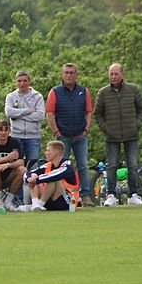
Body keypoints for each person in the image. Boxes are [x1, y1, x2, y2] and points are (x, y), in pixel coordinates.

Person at [93, 63, 142, 207]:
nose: (113, 77)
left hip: (131, 134)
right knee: (111, 166)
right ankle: (111, 195)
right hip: (112, 136)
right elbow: (97, 114)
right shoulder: (103, 92)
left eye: (116, 74)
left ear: (122, 74)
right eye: (111, 74)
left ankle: (133, 194)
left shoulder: (133, 90)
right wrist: (106, 129)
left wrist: (136, 125)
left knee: (133, 165)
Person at [46, 63, 93, 206]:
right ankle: (62, 195)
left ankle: (85, 195)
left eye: (71, 73)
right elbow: (49, 113)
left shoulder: (83, 91)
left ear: (76, 75)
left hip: (80, 135)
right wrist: (56, 132)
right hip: (63, 136)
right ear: (62, 74)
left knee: (83, 166)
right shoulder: (55, 92)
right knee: (60, 167)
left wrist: (86, 130)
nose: (68, 75)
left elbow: (89, 112)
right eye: (66, 72)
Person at [22, 140, 79, 212]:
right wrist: (28, 179)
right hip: (49, 200)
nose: (45, 153)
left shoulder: (67, 165)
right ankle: (35, 205)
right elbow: (28, 173)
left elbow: (57, 174)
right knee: (33, 175)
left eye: (47, 150)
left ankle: (40, 204)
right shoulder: (48, 165)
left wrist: (37, 180)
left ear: (55, 153)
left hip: (68, 202)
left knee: (54, 180)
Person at [4, 70, 45, 166]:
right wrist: (28, 111)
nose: (22, 83)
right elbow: (9, 112)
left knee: (33, 166)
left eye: (25, 81)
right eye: (19, 81)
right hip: (16, 136)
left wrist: (17, 114)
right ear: (16, 82)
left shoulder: (37, 96)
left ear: (29, 81)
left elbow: (40, 115)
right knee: (16, 166)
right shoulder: (11, 96)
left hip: (33, 137)